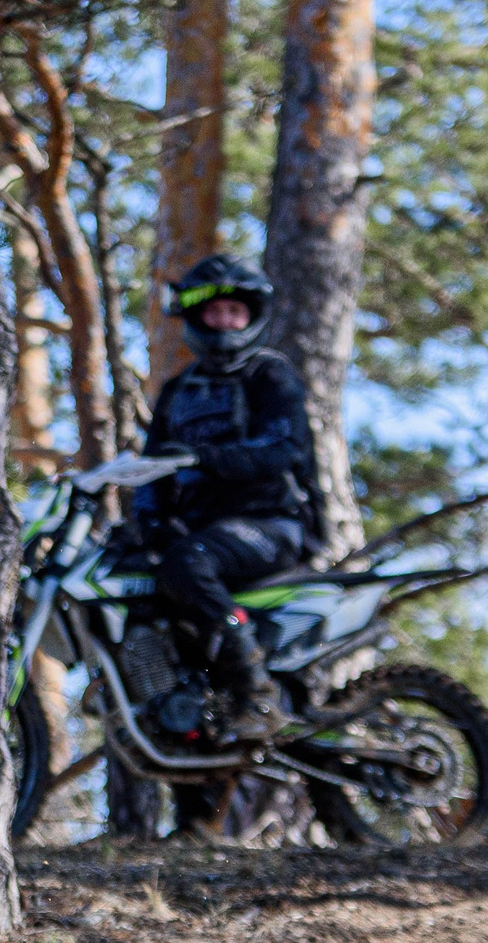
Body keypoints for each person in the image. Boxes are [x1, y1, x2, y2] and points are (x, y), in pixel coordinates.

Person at [135, 254, 322, 743]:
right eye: (214, 313)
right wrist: (145, 522)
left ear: (251, 316)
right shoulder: (178, 391)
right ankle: (197, 810)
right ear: (196, 318)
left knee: (186, 561)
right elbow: (150, 469)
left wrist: (205, 457)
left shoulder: (270, 375)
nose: (224, 322)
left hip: (271, 525)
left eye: (234, 313)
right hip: (200, 533)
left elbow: (283, 448)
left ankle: (257, 691)